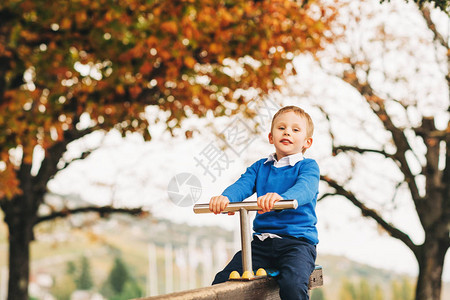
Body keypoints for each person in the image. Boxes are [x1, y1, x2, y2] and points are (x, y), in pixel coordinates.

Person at [209, 105, 319, 300]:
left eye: (295, 129)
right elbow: (242, 185)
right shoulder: (261, 167)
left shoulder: (308, 167)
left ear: (307, 142)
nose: (287, 132)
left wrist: (281, 198)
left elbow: (305, 189)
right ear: (271, 137)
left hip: (296, 244)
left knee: (292, 284)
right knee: (222, 283)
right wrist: (226, 198)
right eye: (281, 128)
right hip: (261, 244)